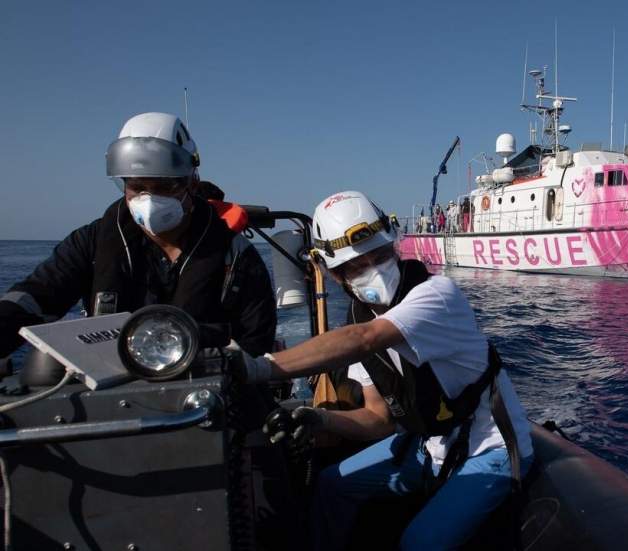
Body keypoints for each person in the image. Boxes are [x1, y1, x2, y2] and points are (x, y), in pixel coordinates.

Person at [234, 191, 534, 550]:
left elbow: (364, 339)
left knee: (419, 543)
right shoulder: (359, 316)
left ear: (395, 247)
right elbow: (379, 419)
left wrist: (259, 368)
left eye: (379, 256)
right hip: (430, 446)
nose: (373, 270)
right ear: (334, 275)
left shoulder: (436, 295)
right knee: (332, 485)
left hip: (490, 449)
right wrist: (318, 419)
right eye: (356, 266)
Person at [0, 112, 277, 358]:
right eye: (138, 186)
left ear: (191, 182)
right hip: (111, 387)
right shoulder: (91, 242)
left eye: (164, 186)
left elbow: (255, 341)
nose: (150, 198)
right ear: (124, 185)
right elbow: (37, 295)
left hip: (203, 384)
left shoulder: (236, 255)